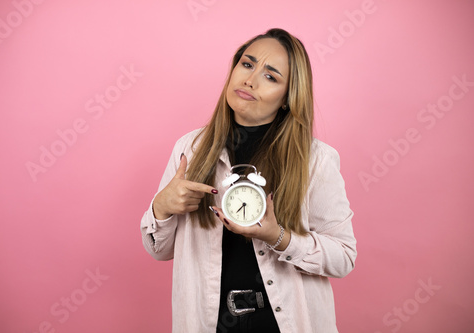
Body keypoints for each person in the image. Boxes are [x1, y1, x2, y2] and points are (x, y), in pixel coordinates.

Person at [140, 28, 357, 333]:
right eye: (247, 64)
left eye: (271, 76)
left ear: (287, 97)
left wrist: (278, 237)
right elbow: (158, 250)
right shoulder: (189, 150)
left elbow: (343, 257)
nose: (250, 80)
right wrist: (161, 207)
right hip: (207, 323)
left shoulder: (315, 160)